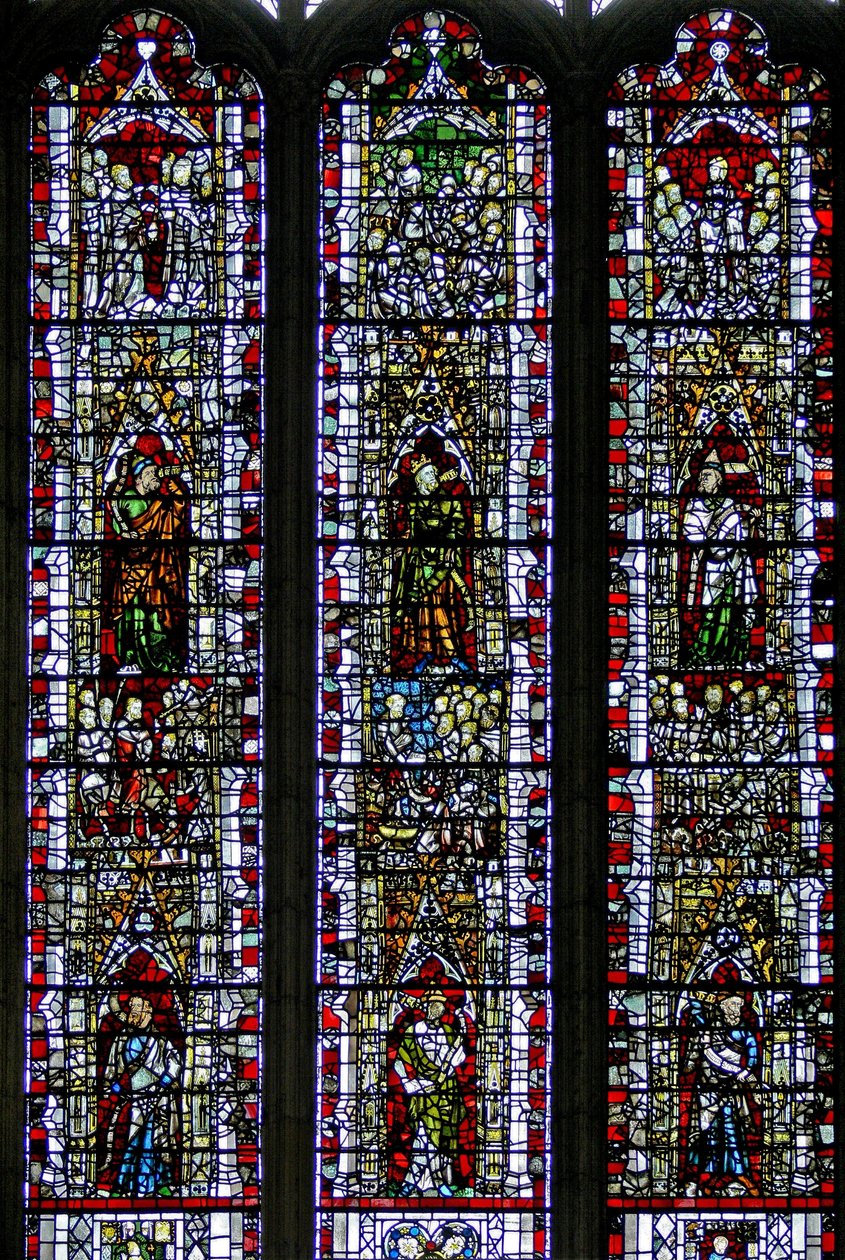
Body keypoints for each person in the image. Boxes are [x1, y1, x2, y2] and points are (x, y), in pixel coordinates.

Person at [104, 437, 190, 673]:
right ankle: (130, 657)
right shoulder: (128, 498)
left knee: (157, 613)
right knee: (133, 613)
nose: (156, 478)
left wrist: (175, 490)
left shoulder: (158, 503)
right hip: (132, 568)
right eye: (152, 474)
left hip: (156, 567)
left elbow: (174, 518)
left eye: (156, 473)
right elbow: (121, 525)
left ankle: (159, 659)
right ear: (140, 477)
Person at [386, 970, 475, 1196]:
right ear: (426, 1008)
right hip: (423, 1092)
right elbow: (400, 1061)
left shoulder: (449, 1032)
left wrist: (450, 1066)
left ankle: (439, 1181)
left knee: (445, 1138)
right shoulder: (412, 1032)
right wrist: (409, 1083)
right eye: (434, 1006)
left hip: (447, 1091)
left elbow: (459, 1057)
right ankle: (419, 1181)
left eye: (441, 1007)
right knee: (423, 1135)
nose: (438, 1010)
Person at [391, 444, 474, 675]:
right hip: (420, 564)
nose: (433, 477)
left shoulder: (449, 501)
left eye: (434, 473)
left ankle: (452, 654)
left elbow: (459, 526)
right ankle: (427, 652)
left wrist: (451, 545)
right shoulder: (412, 503)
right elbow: (407, 530)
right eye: (428, 474)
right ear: (419, 480)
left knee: (442, 607)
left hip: (443, 563)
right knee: (423, 610)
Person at [679, 992, 763, 1194]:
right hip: (708, 1088)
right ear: (724, 1006)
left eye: (739, 1005)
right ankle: (708, 1174)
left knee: (732, 1129)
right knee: (709, 1132)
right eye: (733, 1004)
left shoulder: (743, 1031)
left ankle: (739, 1172)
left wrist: (746, 1071)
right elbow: (695, 1060)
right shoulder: (711, 1029)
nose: (737, 1009)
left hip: (731, 1088)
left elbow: (753, 1052)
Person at [98, 994, 181, 1195]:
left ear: (148, 1012)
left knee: (154, 1140)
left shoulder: (160, 1041)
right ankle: (124, 1185)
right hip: (132, 1099)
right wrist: (114, 1085)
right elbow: (112, 1068)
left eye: (137, 1010)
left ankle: (158, 1185)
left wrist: (164, 1081)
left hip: (156, 1098)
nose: (133, 1015)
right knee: (130, 1141)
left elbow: (175, 1062)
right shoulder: (122, 1040)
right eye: (132, 1010)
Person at [681, 452, 758, 667]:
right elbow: (691, 532)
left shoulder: (730, 503)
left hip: (734, 566)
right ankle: (704, 652)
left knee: (732, 611)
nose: (702, 479)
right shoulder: (695, 505)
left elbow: (741, 536)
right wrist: (712, 538)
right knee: (710, 611)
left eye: (707, 475)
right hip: (710, 567)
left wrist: (750, 523)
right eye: (701, 476)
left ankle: (732, 655)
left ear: (718, 479)